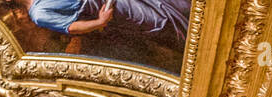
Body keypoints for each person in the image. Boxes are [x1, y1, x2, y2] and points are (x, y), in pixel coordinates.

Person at [20, 0, 189, 43]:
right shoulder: (38, 13)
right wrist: (100, 22)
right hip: (109, 7)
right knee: (160, 19)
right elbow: (71, 27)